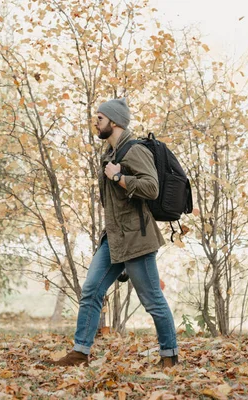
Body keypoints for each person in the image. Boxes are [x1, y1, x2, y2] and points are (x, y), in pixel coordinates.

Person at [48, 98, 179, 368]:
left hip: (137, 239)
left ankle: (170, 356)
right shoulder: (109, 153)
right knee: (91, 291)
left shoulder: (135, 150)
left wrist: (119, 178)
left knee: (152, 299)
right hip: (114, 238)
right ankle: (79, 353)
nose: (95, 122)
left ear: (115, 121)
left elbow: (152, 188)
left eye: (100, 118)